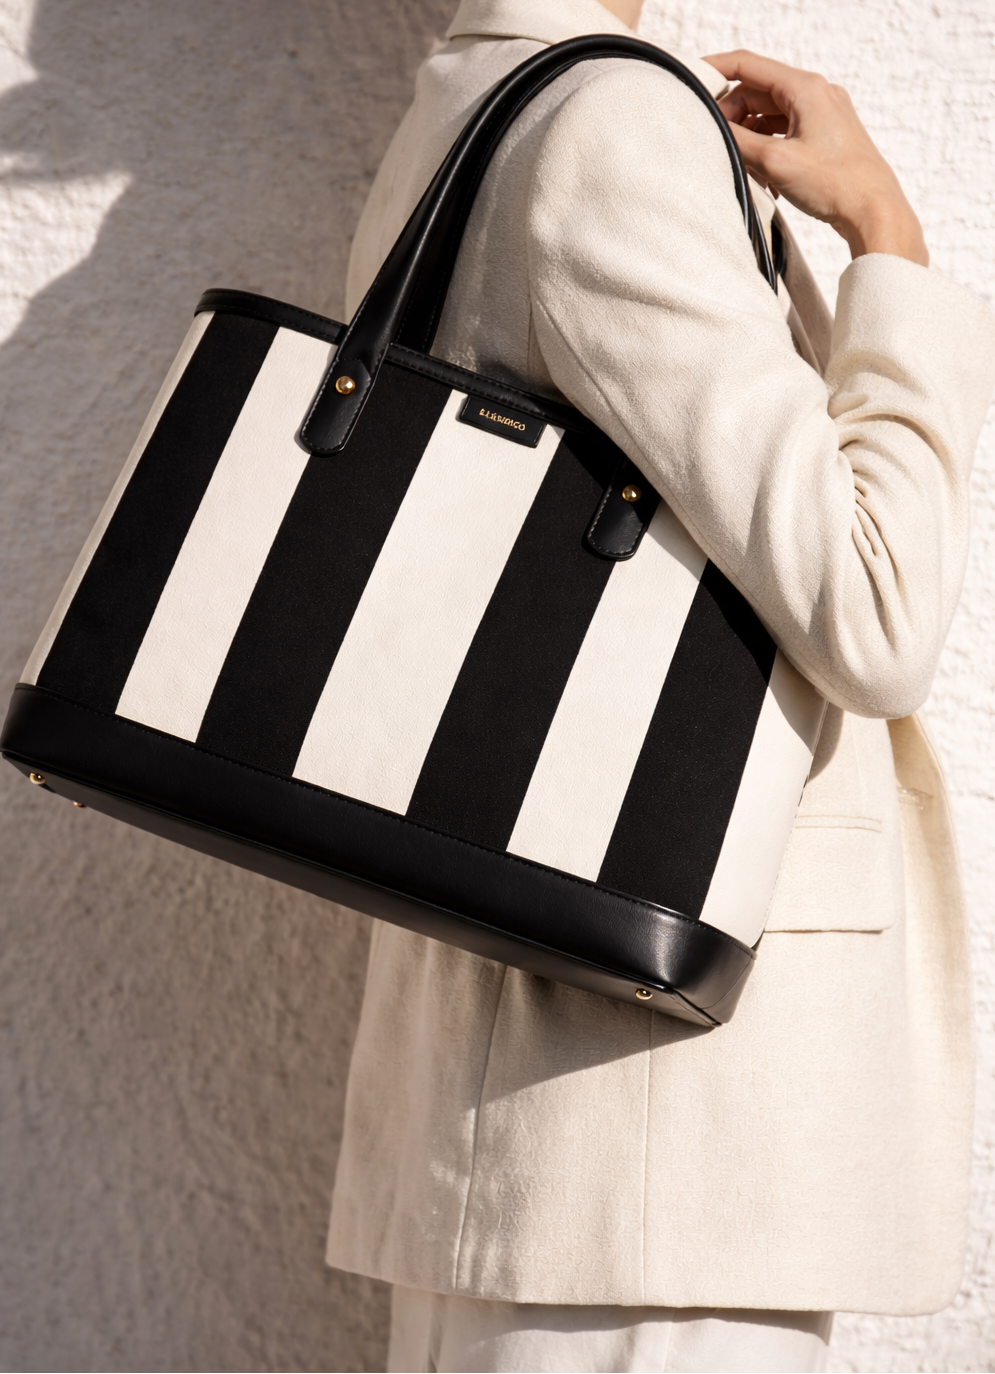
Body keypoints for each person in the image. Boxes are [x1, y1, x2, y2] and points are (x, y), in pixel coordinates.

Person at [325, 2, 995, 1370]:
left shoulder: (471, 97)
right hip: (648, 1128)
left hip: (571, 1121)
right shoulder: (605, 128)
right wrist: (885, 233)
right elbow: (870, 610)